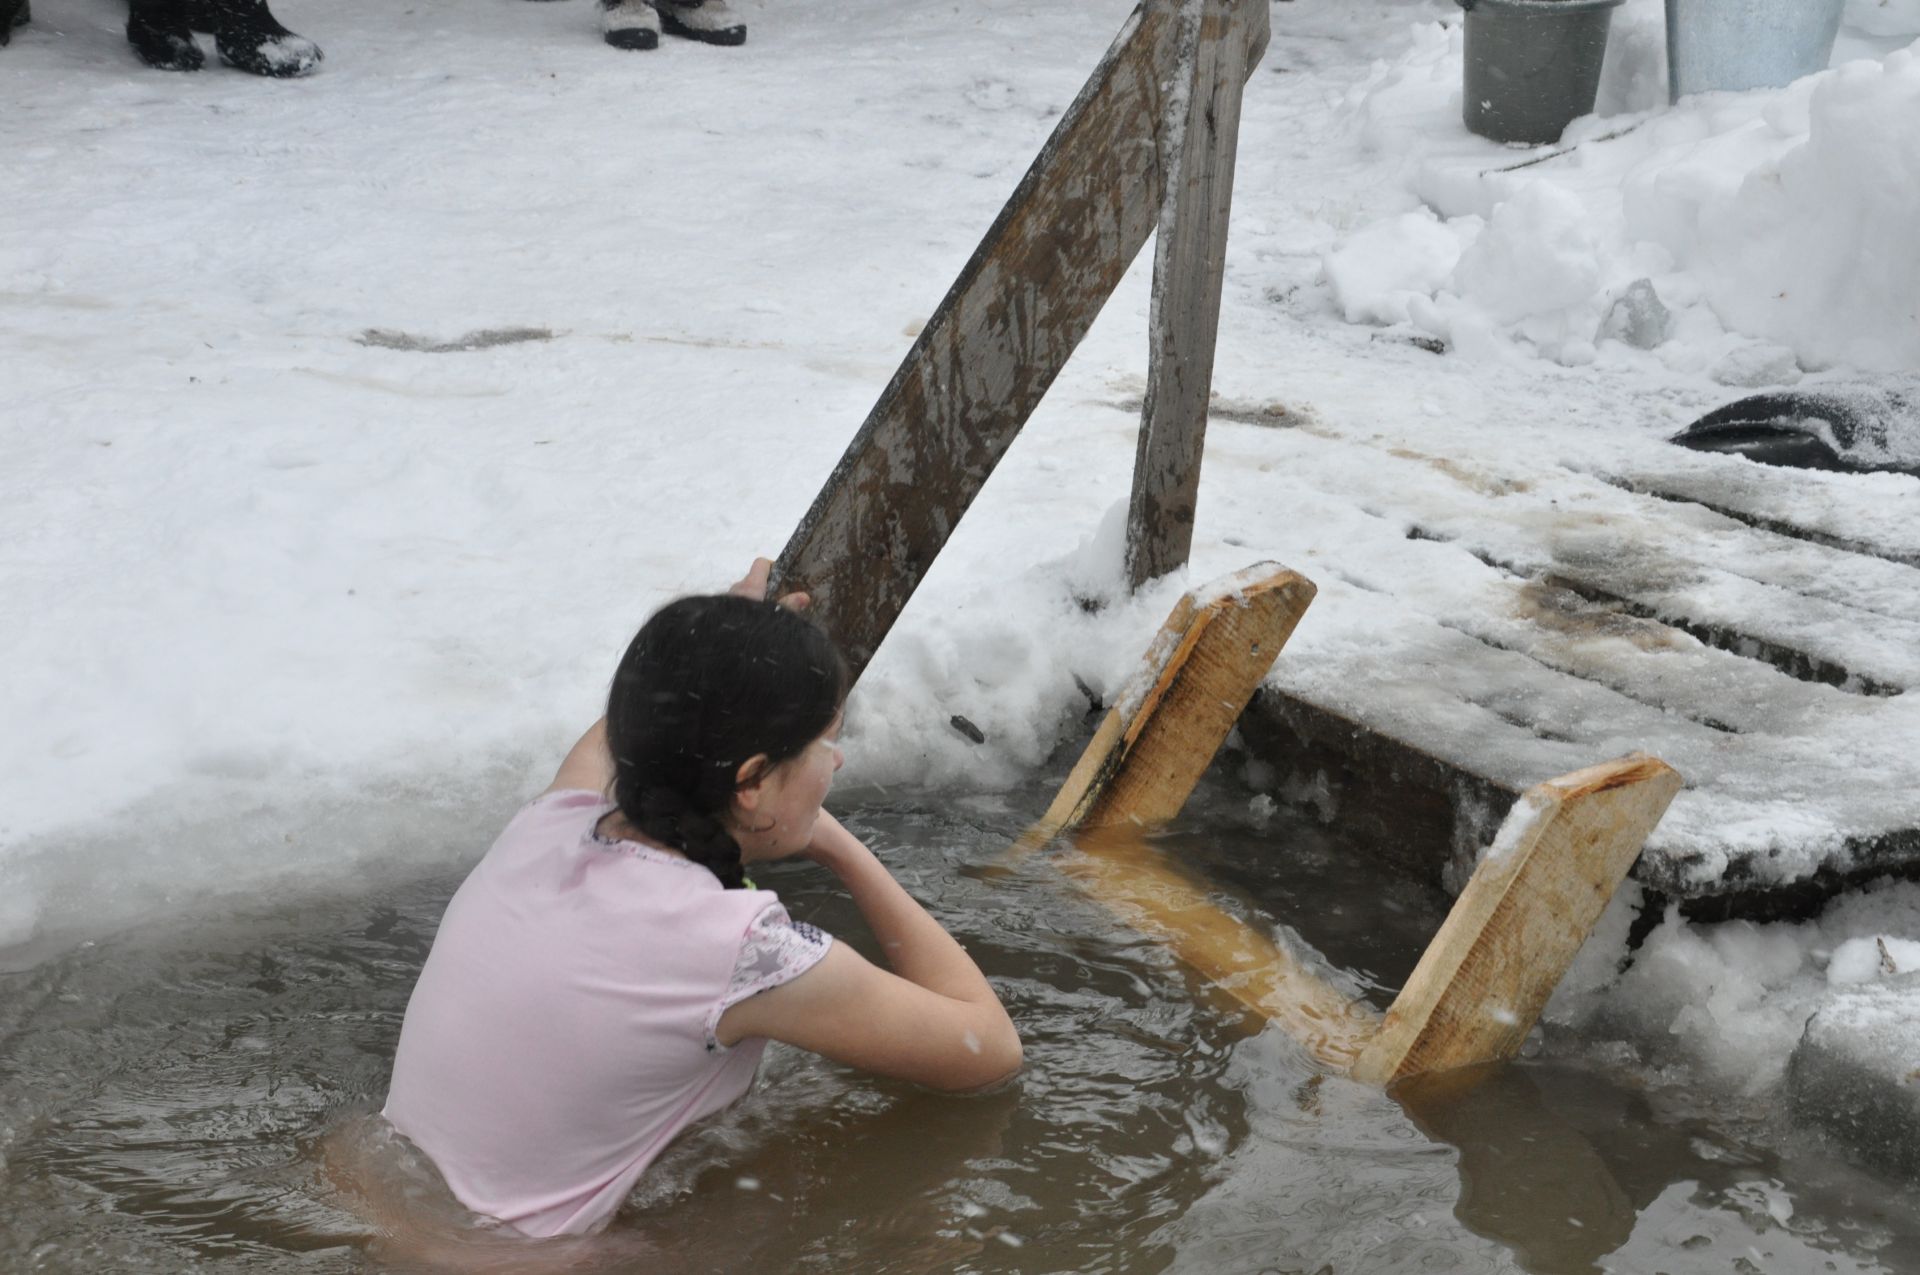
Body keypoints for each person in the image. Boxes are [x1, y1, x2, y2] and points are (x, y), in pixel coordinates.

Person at [381, 560, 1022, 1239]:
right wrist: (839, 847)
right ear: (751, 781)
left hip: (382, 1199)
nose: (836, 763)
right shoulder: (741, 948)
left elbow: (639, 729)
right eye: (822, 743)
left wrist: (720, 644)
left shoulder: (548, 826)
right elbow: (987, 1048)